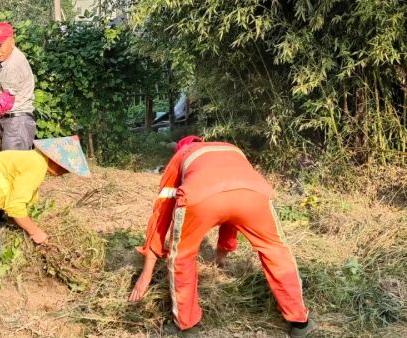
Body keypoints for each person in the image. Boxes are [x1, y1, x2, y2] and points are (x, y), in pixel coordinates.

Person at [128, 136, 316, 338]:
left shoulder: (182, 154)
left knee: (182, 256)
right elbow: (231, 210)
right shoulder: (231, 148)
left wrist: (146, 272)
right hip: (255, 195)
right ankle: (300, 323)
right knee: (276, 251)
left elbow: (162, 214)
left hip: (201, 197)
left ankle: (186, 325)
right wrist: (221, 255)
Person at [0, 136, 91, 318]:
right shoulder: (35, 166)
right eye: (66, 169)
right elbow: (15, 209)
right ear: (56, 162)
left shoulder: (33, 159)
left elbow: (17, 200)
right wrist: (35, 231)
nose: (66, 173)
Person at [0, 22, 36, 151]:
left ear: (12, 42)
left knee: (12, 167)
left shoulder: (13, 65)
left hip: (17, 124)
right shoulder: (6, 59)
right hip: (12, 122)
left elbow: (5, 102)